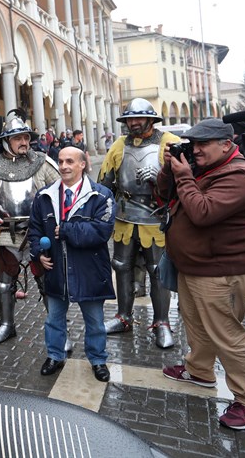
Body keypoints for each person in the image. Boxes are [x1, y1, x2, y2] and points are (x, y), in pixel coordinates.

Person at [157, 119, 245, 430]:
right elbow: (162, 195)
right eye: (192, 143)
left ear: (226, 143)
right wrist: (170, 170)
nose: (195, 149)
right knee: (195, 322)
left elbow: (202, 213)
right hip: (194, 265)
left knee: (226, 335)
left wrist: (185, 177)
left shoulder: (241, 176)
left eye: (203, 144)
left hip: (223, 268)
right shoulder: (204, 166)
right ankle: (200, 371)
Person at [28, 147, 116, 382]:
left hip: (90, 271)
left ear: (83, 164)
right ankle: (55, 356)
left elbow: (101, 231)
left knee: (95, 322)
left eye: (70, 161)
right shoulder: (44, 195)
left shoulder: (101, 195)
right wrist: (38, 253)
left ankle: (98, 360)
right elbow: (34, 229)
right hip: (56, 270)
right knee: (53, 319)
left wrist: (67, 229)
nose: (64, 166)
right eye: (61, 161)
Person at [0, 111, 59, 344]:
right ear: (6, 141)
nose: (24, 142)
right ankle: (6, 325)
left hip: (38, 232)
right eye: (18, 138)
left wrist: (55, 222)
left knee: (46, 280)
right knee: (3, 281)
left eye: (26, 138)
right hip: (5, 232)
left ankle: (58, 328)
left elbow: (61, 192)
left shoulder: (42, 163)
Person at [98, 98, 179, 348]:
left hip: (155, 218)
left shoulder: (169, 144)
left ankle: (162, 322)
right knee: (121, 266)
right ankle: (124, 317)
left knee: (157, 271)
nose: (133, 123)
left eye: (137, 118)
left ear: (150, 119)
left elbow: (185, 182)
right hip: (124, 218)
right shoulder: (119, 145)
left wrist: (160, 177)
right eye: (129, 119)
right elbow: (105, 182)